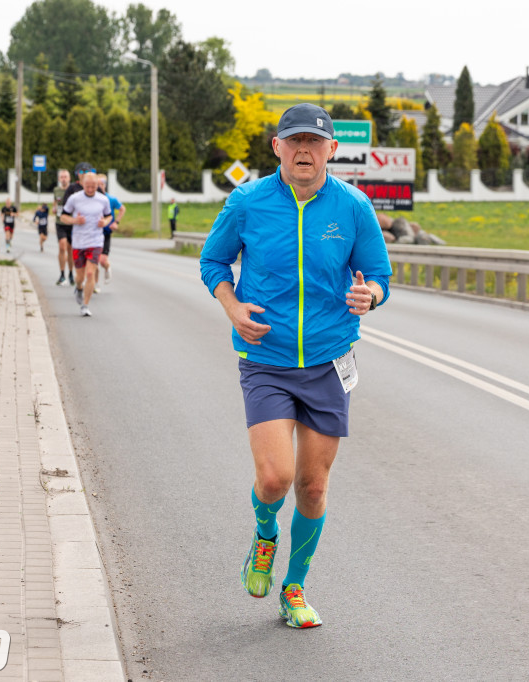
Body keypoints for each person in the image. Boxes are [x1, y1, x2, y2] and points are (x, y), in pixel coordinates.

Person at [199, 103, 391, 629]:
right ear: (277, 147)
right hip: (266, 358)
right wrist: (233, 308)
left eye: (315, 141)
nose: (304, 150)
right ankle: (265, 536)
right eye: (294, 141)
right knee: (275, 476)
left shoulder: (353, 207)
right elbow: (212, 261)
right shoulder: (248, 202)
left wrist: (370, 295)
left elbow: (378, 273)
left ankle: (295, 587)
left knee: (311, 486)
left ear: (332, 149)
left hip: (330, 362)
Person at [61, 170, 112, 317]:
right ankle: (78, 287)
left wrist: (105, 222)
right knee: (80, 277)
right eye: (87, 186)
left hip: (96, 241)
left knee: (90, 273)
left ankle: (85, 305)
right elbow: (63, 216)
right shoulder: (74, 199)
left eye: (93, 187)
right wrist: (75, 221)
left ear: (97, 185)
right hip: (78, 242)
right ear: (82, 184)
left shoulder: (103, 200)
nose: (90, 190)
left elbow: (109, 217)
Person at [95, 174, 125, 288]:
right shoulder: (92, 199)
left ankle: (107, 268)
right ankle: (95, 284)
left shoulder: (111, 199)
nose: (99, 186)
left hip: (106, 233)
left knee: (102, 261)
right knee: (94, 261)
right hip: (94, 233)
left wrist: (116, 222)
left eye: (101, 184)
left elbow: (122, 209)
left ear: (105, 185)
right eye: (97, 184)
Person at [53, 169, 76, 286]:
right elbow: (55, 203)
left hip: (71, 223)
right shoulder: (56, 190)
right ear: (59, 179)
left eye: (65, 177)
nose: (63, 179)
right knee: (62, 246)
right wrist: (54, 209)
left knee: (70, 249)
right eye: (61, 177)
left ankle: (71, 273)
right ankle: (62, 274)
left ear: (69, 178)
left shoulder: (73, 190)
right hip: (60, 222)